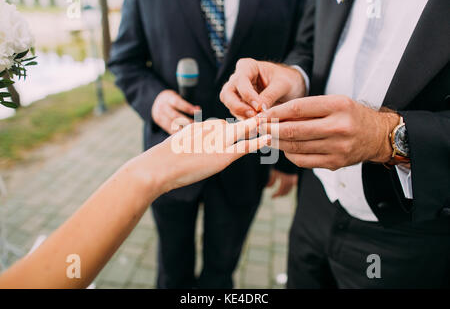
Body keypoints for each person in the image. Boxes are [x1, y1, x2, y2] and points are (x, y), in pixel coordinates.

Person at [220, 0, 450, 288]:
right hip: (315, 199)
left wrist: (387, 136)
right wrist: (292, 77)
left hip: (416, 230)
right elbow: (309, 45)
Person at [108, 0, 306, 288]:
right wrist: (154, 101)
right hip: (170, 154)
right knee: (172, 271)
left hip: (246, 158)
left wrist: (288, 161)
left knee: (221, 272)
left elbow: (301, 57)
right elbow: (125, 62)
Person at [0, 118, 271, 289]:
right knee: (173, 263)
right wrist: (152, 170)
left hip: (241, 174)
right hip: (172, 163)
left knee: (222, 265)